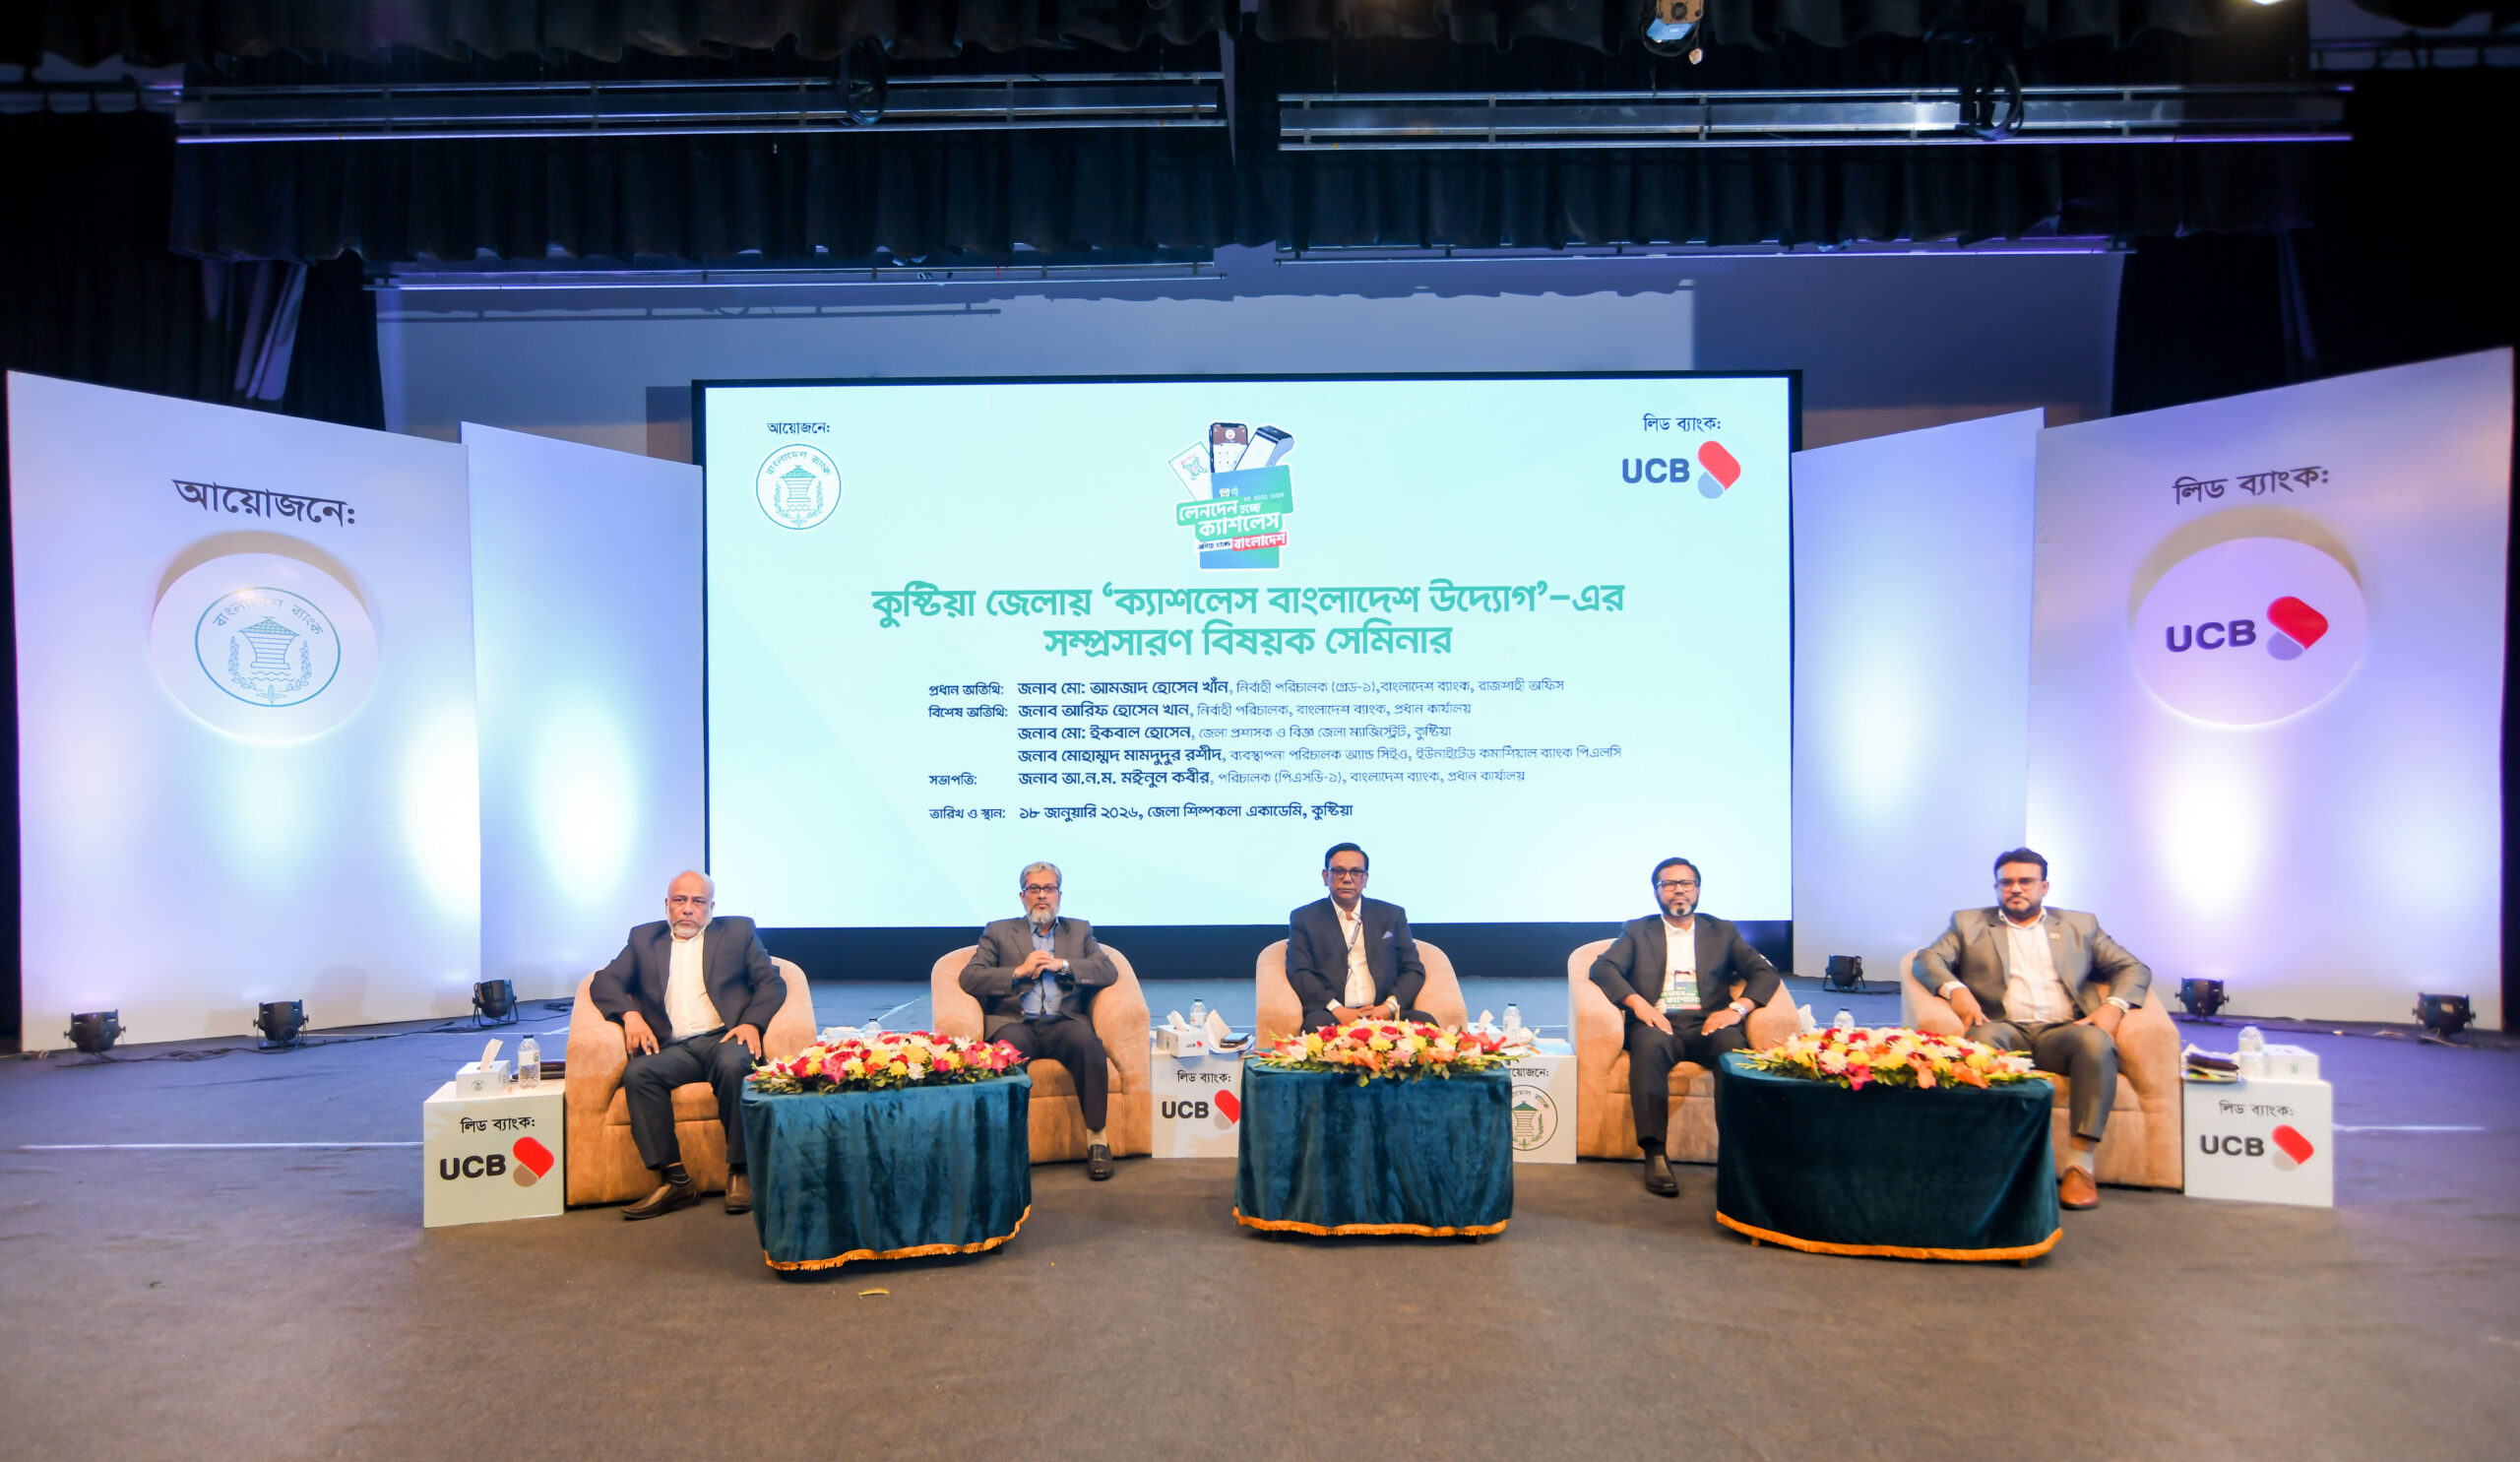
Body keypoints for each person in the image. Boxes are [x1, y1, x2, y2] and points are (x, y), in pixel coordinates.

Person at [1914, 848, 2154, 1211]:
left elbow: (2133, 968)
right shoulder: (1967, 923)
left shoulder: (2080, 926)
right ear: (1996, 887)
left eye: (2025, 881)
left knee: (2096, 1044)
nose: (2015, 888)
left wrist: (2113, 1007)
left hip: (2064, 1031)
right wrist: (1956, 989)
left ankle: (2080, 1166)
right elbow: (1927, 959)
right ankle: (1988, 1164)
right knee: (1979, 1044)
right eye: (2006, 882)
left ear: (2044, 887)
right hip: (2001, 1027)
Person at [590, 869, 787, 1220]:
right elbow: (604, 982)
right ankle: (675, 1180)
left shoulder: (737, 932)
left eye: (698, 902)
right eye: (680, 900)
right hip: (673, 1048)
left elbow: (771, 982)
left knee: (734, 1065)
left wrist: (752, 1023)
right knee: (638, 1074)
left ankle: (741, 1171)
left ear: (711, 908)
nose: (687, 909)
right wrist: (630, 1015)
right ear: (667, 905)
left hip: (724, 1038)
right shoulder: (643, 939)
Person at [1590, 857, 1781, 1196]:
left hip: (1709, 1023)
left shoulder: (1722, 931)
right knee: (1648, 1048)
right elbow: (1603, 968)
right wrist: (1639, 1004)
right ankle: (1655, 1153)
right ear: (1657, 892)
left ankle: (1738, 1155)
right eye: (1669, 884)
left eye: (1686, 883)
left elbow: (1764, 972)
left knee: (1734, 1051)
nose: (1678, 890)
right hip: (1658, 1022)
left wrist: (1737, 1009)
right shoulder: (1637, 930)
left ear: (1698, 890)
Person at [961, 861, 1119, 1180]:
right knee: (1007, 1051)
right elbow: (970, 977)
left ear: (1059, 894)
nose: (1042, 895)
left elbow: (1107, 971)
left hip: (1063, 1022)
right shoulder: (999, 931)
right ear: (1023, 896)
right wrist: (1018, 972)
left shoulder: (1080, 930)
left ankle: (1097, 1140)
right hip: (1016, 1022)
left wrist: (1063, 966)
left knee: (1088, 1045)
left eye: (1049, 888)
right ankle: (1006, 1146)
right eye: (1034, 889)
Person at [1286, 842, 1433, 1032]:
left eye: (1355, 872)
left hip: (1383, 1012)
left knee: (1426, 1024)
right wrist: (1337, 1009)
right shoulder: (1305, 918)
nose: (1347, 878)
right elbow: (1299, 971)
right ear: (1326, 876)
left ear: (1365, 879)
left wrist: (1388, 1007)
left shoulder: (1391, 915)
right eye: (1339, 871)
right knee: (1315, 1025)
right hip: (1333, 1014)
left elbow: (1413, 969)